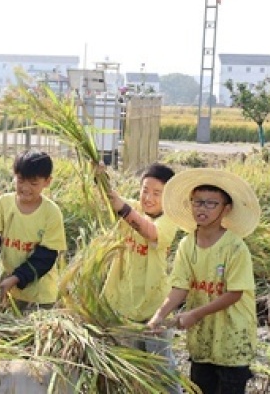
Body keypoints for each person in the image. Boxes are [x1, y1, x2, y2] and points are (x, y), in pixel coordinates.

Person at [148, 168, 261, 394]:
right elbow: (180, 287)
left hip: (232, 341)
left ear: (226, 209)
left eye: (211, 204)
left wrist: (195, 314)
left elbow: (234, 293)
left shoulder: (235, 248)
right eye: (198, 202)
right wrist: (159, 315)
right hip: (201, 340)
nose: (203, 209)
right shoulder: (187, 245)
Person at [98, 163, 180, 391]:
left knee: (161, 368)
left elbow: (149, 231)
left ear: (169, 198)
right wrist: (100, 177)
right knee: (131, 368)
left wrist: (123, 209)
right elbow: (110, 198)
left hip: (155, 308)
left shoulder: (169, 221)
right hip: (125, 307)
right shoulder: (133, 209)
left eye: (157, 193)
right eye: (145, 190)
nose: (148, 197)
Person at [0, 150, 66, 311]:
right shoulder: (2, 205)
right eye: (21, 180)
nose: (25, 188)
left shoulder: (51, 212)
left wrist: (15, 278)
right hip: (7, 294)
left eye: (33, 183)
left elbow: (45, 257)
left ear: (47, 182)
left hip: (40, 297)